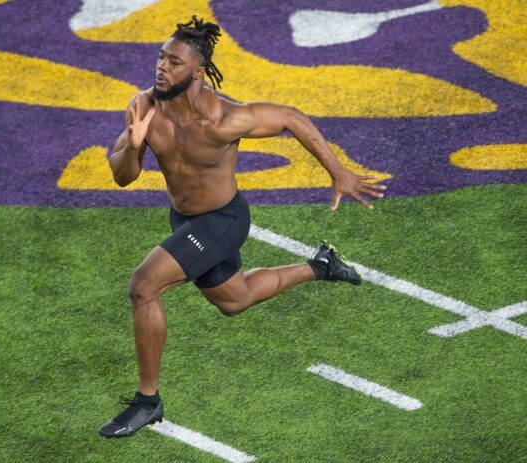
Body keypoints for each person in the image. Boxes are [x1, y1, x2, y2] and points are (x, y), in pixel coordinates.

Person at [97, 15, 387, 438]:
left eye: (174, 62)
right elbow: (122, 175)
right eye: (161, 57)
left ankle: (147, 402)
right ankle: (320, 265)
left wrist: (338, 171)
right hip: (186, 219)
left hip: (223, 220)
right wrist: (135, 147)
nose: (162, 67)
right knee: (235, 300)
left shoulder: (223, 120)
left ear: (197, 72)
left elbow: (289, 117)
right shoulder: (143, 107)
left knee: (144, 285)